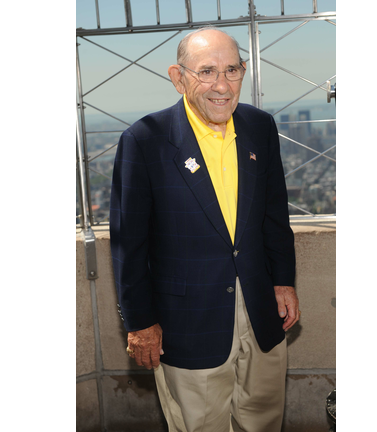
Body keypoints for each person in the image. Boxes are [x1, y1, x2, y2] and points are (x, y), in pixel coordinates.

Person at [110, 26, 299, 432]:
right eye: (206, 71)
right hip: (187, 320)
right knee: (202, 425)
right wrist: (140, 324)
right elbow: (129, 243)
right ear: (178, 77)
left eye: (232, 70)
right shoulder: (144, 140)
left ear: (244, 72)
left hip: (261, 309)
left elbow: (273, 214)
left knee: (264, 418)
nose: (222, 85)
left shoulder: (259, 127)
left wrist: (283, 282)